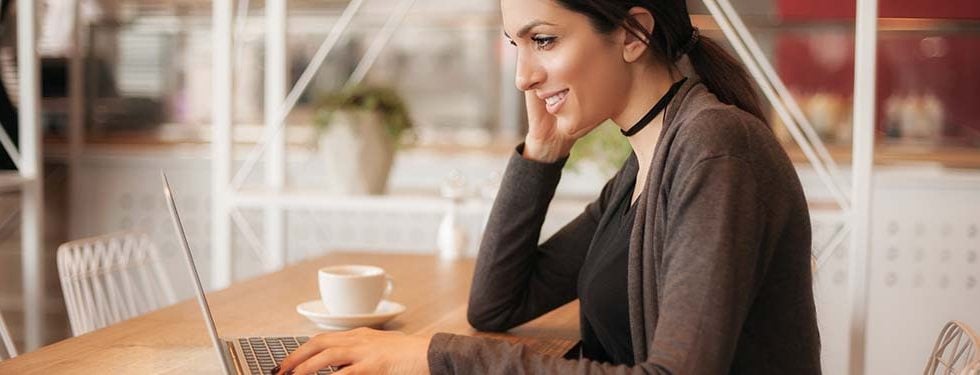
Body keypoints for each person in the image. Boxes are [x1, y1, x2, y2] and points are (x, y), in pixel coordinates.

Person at [276, 0, 821, 373]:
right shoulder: (643, 165)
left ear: (634, 33)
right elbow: (496, 304)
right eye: (517, 44)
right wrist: (542, 153)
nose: (523, 77)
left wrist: (432, 358)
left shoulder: (715, 149)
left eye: (544, 40)